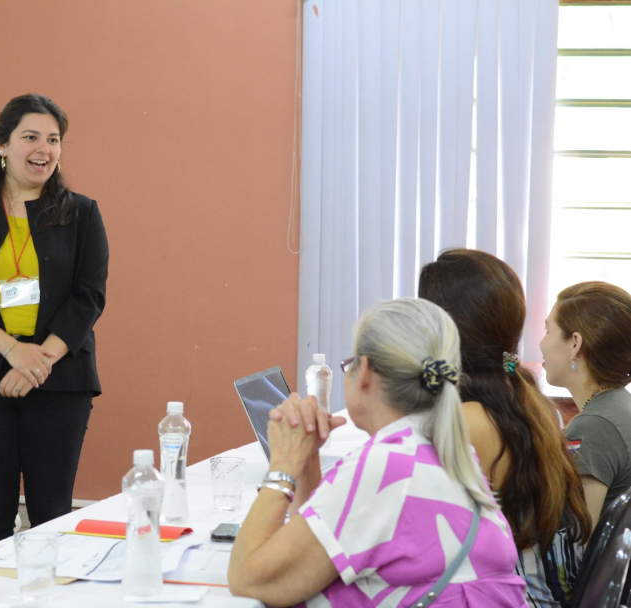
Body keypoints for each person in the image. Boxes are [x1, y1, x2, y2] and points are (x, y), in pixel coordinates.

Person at [228, 298, 528, 607]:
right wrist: (304, 463)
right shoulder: (447, 452)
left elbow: (248, 578)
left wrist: (283, 464)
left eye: (348, 364)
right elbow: (317, 548)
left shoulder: (385, 467)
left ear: (365, 371)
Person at [0, 94, 109, 546]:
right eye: (30, 137)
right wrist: (12, 351)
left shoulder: (82, 214)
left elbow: (88, 296)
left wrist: (36, 362)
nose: (44, 149)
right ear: (2, 146)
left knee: (51, 514)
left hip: (59, 378)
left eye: (53, 139)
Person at [419, 249, 591, 607]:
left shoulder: (469, 421)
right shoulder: (525, 395)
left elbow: (413, 526)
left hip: (514, 596)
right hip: (540, 590)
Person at [540, 281, 631, 528]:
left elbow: (575, 541)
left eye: (548, 331)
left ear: (575, 344)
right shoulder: (621, 408)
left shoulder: (593, 427)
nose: (541, 343)